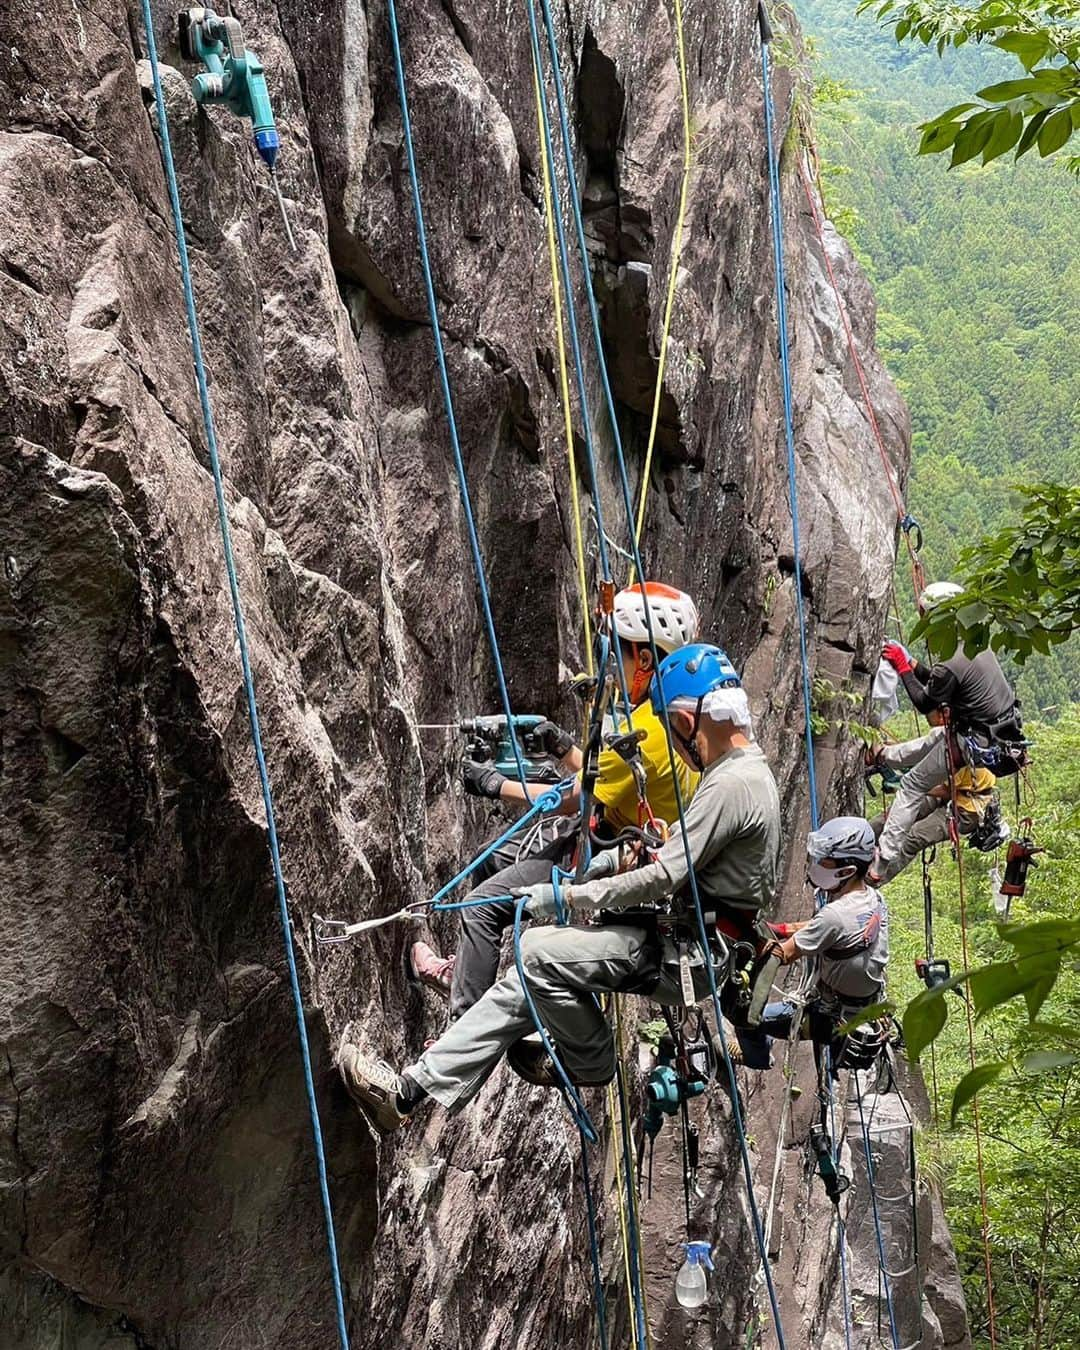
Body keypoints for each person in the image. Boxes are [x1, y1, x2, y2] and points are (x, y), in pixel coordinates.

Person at [338, 643, 782, 1134]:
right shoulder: (747, 776)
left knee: (534, 952)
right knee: (528, 977)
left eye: (676, 727)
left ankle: (591, 1062)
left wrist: (567, 896)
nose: (679, 744)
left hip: (683, 953)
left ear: (693, 714)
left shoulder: (731, 784)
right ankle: (405, 1095)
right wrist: (613, 860)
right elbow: (673, 848)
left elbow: (663, 875)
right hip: (688, 948)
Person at [410, 582, 701, 1020]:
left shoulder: (648, 730)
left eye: (615, 650)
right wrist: (564, 749)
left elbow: (572, 800)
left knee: (481, 910)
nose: (607, 662)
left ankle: (460, 1033)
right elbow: (603, 781)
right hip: (601, 835)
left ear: (644, 660)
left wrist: (495, 786)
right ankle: (466, 972)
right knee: (489, 862)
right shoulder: (661, 715)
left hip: (601, 857)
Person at [871, 580, 1021, 886]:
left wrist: (902, 669)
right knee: (935, 739)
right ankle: (885, 757)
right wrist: (913, 665)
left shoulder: (950, 661)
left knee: (912, 786)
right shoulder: (976, 643)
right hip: (994, 736)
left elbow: (926, 700)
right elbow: (944, 684)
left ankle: (881, 859)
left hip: (973, 742)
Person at [735, 818, 889, 1071]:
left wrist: (742, 937)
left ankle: (758, 1057)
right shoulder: (873, 900)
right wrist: (784, 929)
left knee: (745, 1019)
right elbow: (828, 929)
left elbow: (781, 954)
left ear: (846, 870)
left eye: (825, 860)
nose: (817, 865)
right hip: (863, 1009)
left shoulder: (834, 916)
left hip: (831, 1017)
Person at [865, 712, 998, 884]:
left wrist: (902, 786)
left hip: (967, 810)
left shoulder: (965, 750)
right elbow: (923, 750)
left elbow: (944, 790)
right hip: (951, 792)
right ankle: (858, 837)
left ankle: (871, 882)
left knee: (914, 838)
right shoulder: (951, 733)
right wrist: (887, 752)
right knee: (892, 817)